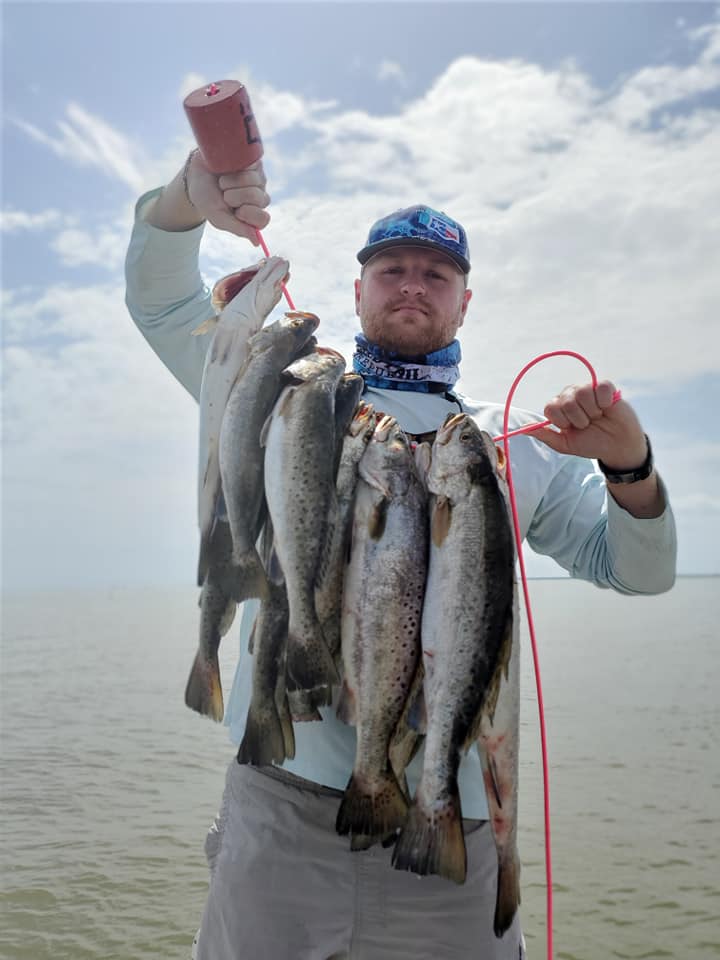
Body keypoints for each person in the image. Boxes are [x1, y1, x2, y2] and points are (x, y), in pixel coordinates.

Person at [125, 149, 676, 960]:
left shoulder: (510, 442)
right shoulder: (284, 391)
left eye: (435, 273)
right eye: (391, 269)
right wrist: (185, 200)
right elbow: (160, 301)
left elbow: (639, 570)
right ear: (358, 291)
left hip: (450, 826)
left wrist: (629, 464)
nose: (412, 284)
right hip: (284, 810)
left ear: (464, 302)